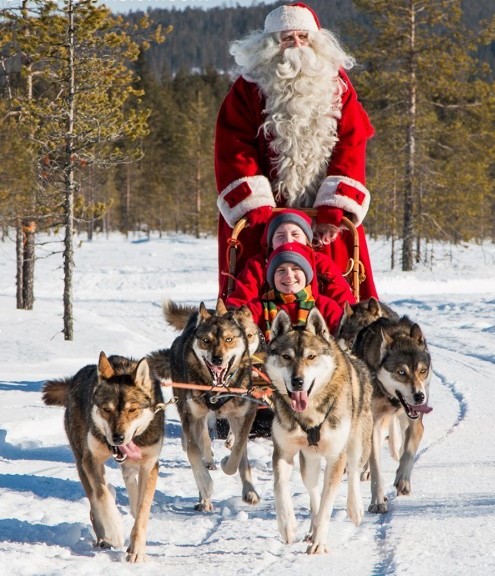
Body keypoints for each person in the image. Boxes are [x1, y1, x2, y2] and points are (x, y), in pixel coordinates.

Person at [215, 2, 378, 302]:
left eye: (304, 37)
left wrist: (334, 207)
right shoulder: (246, 89)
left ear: (317, 42)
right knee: (254, 289)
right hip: (264, 218)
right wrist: (255, 208)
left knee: (337, 290)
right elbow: (233, 148)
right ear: (269, 46)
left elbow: (352, 145)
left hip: (323, 218)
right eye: (287, 38)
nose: (297, 45)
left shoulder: (338, 88)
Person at [226, 208, 356, 329]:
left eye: (295, 235)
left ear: (307, 240)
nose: (288, 240)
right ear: (271, 242)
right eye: (280, 236)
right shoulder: (259, 264)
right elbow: (242, 299)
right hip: (268, 320)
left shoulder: (320, 262)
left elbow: (341, 297)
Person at [229, 241, 345, 341]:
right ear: (272, 279)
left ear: (307, 276)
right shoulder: (258, 309)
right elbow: (233, 328)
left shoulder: (326, 306)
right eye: (281, 270)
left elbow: (345, 335)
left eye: (296, 269)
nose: (289, 275)